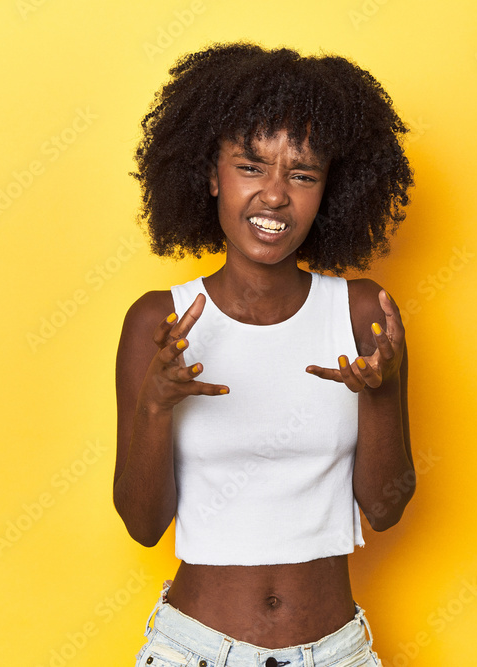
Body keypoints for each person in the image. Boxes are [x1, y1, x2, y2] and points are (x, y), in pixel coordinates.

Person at [114, 41, 414, 667]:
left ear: (329, 191)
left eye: (302, 175)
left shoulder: (363, 313)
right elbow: (143, 526)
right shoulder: (158, 322)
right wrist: (155, 405)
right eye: (251, 167)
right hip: (192, 651)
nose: (275, 195)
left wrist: (380, 393)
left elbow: (386, 511)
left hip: (335, 653)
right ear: (211, 176)